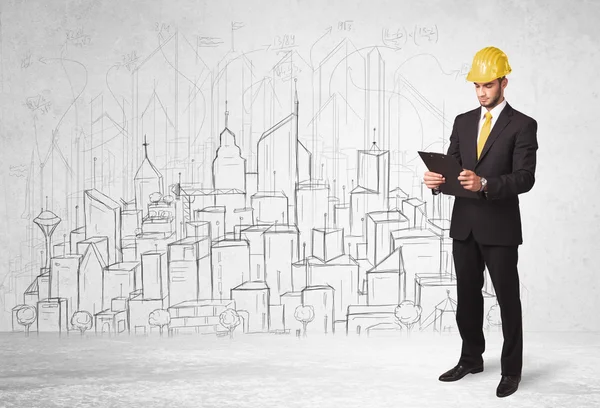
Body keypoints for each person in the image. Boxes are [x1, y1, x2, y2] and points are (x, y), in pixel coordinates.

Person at [423, 46, 538, 398]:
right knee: (467, 297)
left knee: (507, 300)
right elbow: (453, 168)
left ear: (504, 82)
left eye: (488, 85)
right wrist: (437, 182)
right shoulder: (462, 121)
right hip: (465, 224)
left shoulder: (522, 125)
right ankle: (471, 358)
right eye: (476, 86)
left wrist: (487, 183)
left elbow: (525, 178)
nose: (481, 92)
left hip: (500, 227)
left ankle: (511, 371)